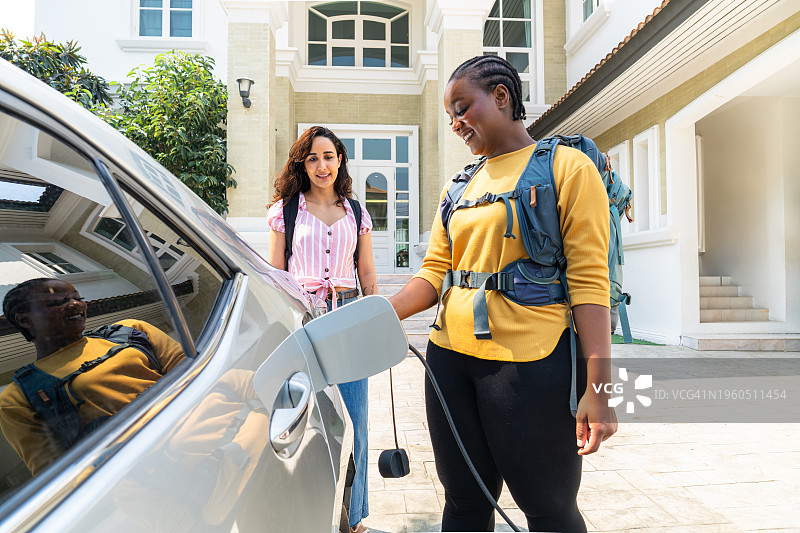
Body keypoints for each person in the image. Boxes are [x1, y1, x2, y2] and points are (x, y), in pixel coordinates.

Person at [388, 56, 618, 532]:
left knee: (549, 510)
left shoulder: (567, 168)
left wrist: (600, 389)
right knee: (465, 505)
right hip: (448, 361)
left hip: (529, 367)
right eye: (449, 114)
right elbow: (433, 273)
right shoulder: (459, 185)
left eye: (461, 107)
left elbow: (590, 283)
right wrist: (372, 315)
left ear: (500, 96)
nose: (454, 124)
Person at [266, 125, 376, 533]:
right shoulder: (286, 210)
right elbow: (275, 272)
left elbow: (365, 270)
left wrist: (374, 315)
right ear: (303, 164)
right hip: (304, 319)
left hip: (347, 317)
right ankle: (308, 509)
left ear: (340, 159)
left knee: (356, 421)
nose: (321, 165)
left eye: (328, 156)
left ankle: (354, 516)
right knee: (306, 422)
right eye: (312, 158)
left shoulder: (357, 213)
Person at [0, 278, 185, 475]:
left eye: (79, 298)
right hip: (150, 476)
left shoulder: (131, 330)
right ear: (24, 320)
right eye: (57, 302)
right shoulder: (16, 398)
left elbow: (193, 371)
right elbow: (57, 474)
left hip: (201, 426)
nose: (75, 304)